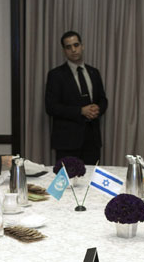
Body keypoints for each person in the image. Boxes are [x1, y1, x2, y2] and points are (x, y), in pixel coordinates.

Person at [45, 31, 108, 164]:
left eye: (76, 45)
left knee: (91, 181)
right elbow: (51, 107)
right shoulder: (56, 75)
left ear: (82, 46)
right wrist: (80, 111)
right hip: (67, 142)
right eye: (69, 47)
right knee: (67, 183)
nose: (73, 50)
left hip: (92, 140)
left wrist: (98, 108)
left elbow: (103, 99)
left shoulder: (94, 72)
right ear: (64, 51)